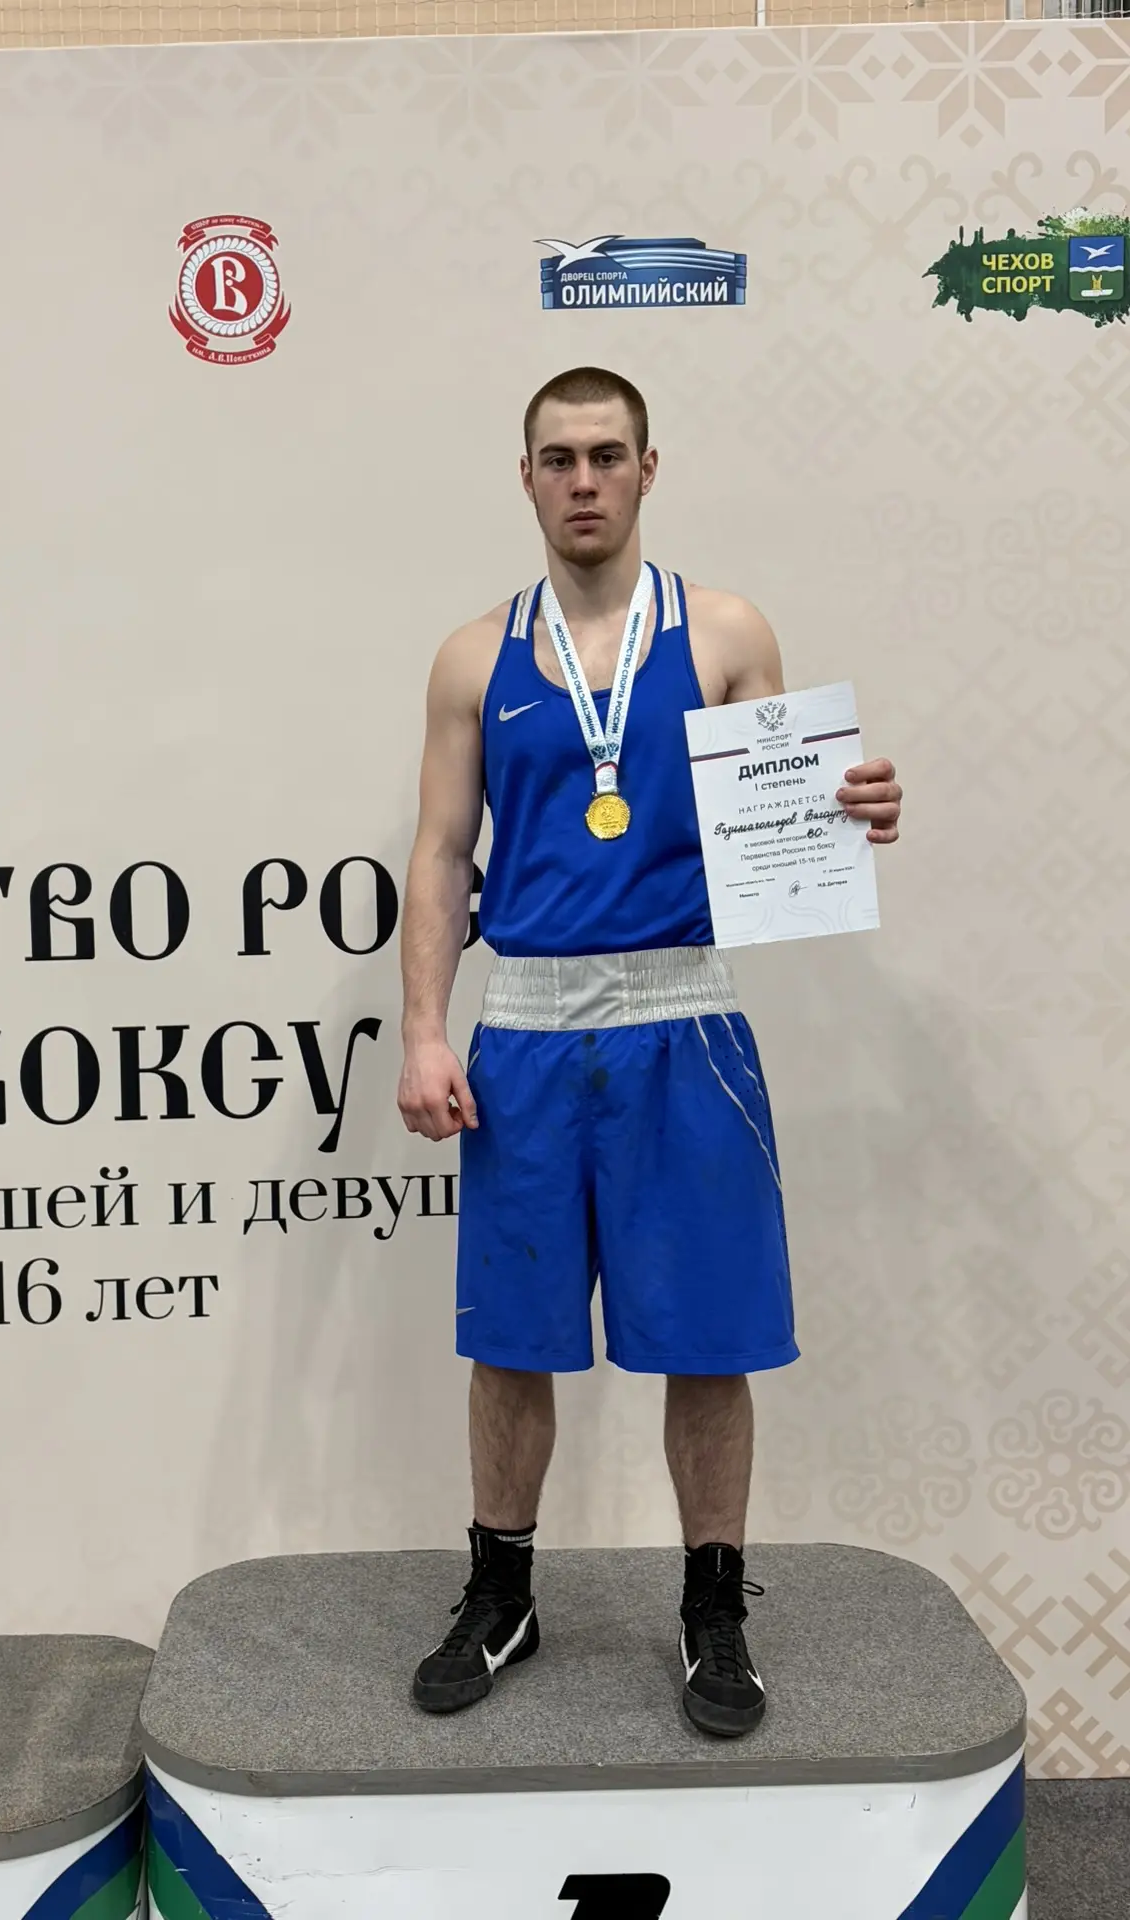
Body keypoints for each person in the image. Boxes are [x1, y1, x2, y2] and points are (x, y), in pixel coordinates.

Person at [397, 366, 902, 1737]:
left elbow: (779, 830)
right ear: (525, 476)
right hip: (527, 1036)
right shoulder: (472, 657)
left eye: (607, 455)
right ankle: (503, 1594)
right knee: (513, 1344)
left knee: (707, 1340)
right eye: (559, 457)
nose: (584, 480)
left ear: (648, 469)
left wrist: (851, 811)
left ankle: (714, 1611)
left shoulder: (726, 631)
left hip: (686, 1027)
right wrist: (426, 1029)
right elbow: (441, 853)